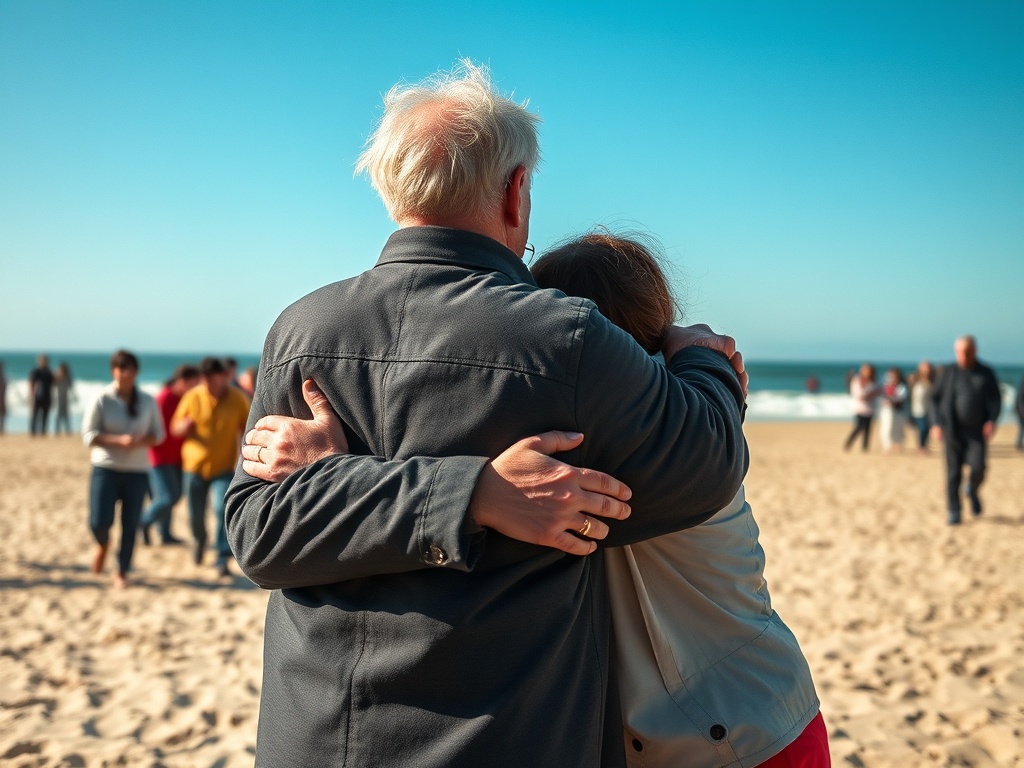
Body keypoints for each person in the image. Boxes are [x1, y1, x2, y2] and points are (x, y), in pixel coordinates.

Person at [225, 62, 747, 767]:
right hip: (500, 738)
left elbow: (255, 534)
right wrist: (702, 358)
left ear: (391, 188)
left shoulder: (300, 332)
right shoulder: (566, 338)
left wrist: (342, 478)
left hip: (317, 737)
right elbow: (708, 461)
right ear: (517, 190)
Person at [251, 232, 826, 767]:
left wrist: (333, 473)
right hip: (744, 716)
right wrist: (703, 359)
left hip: (737, 736)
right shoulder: (673, 415)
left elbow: (508, 492)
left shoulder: (614, 442)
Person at [81, 350, 165, 588]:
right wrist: (119, 440)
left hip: (137, 470)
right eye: (118, 367)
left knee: (130, 524)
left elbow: (159, 434)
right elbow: (88, 435)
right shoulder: (102, 398)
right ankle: (103, 544)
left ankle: (121, 570)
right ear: (112, 370)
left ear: (135, 372)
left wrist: (141, 440)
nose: (122, 372)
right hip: (105, 467)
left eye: (126, 367)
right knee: (98, 521)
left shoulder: (147, 400)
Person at [172, 357, 250, 577]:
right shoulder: (192, 396)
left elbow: (248, 428)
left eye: (211, 380)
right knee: (195, 514)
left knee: (220, 509)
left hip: (224, 468)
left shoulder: (238, 399)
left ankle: (221, 556)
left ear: (223, 376)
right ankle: (199, 541)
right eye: (204, 381)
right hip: (194, 467)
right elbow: (174, 428)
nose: (207, 385)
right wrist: (183, 426)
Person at [930, 335, 1002, 525]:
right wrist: (936, 423)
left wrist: (992, 421)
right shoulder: (947, 372)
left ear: (974, 351)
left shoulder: (986, 372)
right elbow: (933, 399)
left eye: (967, 351)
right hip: (952, 431)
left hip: (977, 433)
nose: (963, 355)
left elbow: (996, 400)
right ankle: (954, 511)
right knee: (953, 473)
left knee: (978, 467)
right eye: (959, 351)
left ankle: (973, 490)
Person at [140, 364, 200, 546]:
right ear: (182, 381)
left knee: (172, 496)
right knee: (168, 496)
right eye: (193, 383)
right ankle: (143, 522)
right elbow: (155, 429)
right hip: (159, 458)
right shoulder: (164, 398)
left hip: (177, 458)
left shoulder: (185, 399)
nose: (196, 387)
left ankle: (165, 534)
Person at [843, 363, 879, 451]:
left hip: (870, 408)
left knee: (868, 429)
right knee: (859, 427)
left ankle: (865, 447)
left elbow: (877, 392)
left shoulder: (873, 382)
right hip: (859, 408)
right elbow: (857, 394)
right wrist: (868, 395)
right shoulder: (856, 380)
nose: (867, 372)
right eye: (865, 370)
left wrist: (871, 395)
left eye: (869, 370)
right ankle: (848, 443)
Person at [877, 367, 908, 453]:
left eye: (894, 376)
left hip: (898, 411)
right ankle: (887, 445)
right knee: (886, 428)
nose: (892, 378)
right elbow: (881, 397)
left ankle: (898, 444)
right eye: (890, 376)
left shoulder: (901, 387)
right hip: (887, 410)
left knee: (897, 429)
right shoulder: (885, 386)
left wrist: (891, 399)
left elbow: (901, 398)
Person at [909, 360, 935, 452]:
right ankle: (920, 445)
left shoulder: (933, 380)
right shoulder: (915, 379)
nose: (926, 370)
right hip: (917, 409)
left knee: (927, 428)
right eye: (924, 367)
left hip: (929, 409)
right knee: (922, 427)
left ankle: (923, 445)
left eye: (927, 367)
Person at [28, 354, 55, 436]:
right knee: (35, 415)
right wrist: (32, 396)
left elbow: (53, 385)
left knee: (45, 416)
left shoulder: (49, 372)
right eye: (42, 360)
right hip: (37, 396)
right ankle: (33, 432)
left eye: (45, 360)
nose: (44, 362)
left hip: (47, 396)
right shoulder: (36, 371)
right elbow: (31, 383)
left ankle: (43, 432)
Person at [53, 362, 76, 435]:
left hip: (65, 398)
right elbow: (54, 384)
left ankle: (67, 430)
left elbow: (71, 386)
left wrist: (74, 395)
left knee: (65, 415)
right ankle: (57, 430)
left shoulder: (67, 377)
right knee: (59, 415)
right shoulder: (58, 376)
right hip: (59, 398)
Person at [1016, 373, 1024, 452]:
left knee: (1021, 428)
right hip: (1021, 411)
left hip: (1020, 410)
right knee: (1021, 428)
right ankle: (1019, 444)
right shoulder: (1022, 384)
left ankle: (1019, 444)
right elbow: (1020, 400)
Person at [0, 361, 7, 434]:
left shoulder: (4, 377)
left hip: (2, 398)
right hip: (2, 399)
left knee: (2, 415)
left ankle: (2, 430)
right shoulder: (3, 378)